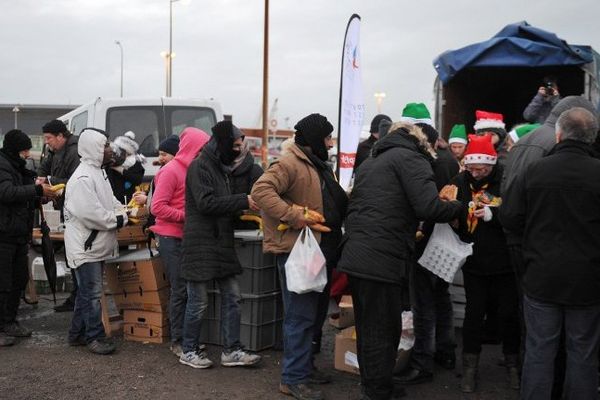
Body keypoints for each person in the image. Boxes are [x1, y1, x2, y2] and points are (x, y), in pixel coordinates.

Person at [337, 121, 462, 400]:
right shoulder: (412, 159)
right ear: (423, 142)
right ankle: (379, 390)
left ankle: (373, 384)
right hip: (382, 257)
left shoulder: (372, 161)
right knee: (384, 329)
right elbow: (428, 206)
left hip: (358, 253)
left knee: (368, 327)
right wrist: (457, 205)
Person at [500, 95, 599, 399]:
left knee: (539, 350)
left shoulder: (536, 171)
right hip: (588, 281)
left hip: (541, 276)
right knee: (582, 353)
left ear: (558, 134)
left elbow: (511, 217)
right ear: (593, 137)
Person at [252, 113, 343, 400]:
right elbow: (261, 192)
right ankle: (293, 378)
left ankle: (305, 366)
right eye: (327, 138)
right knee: (300, 316)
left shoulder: (317, 164)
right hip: (298, 251)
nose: (330, 143)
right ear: (316, 139)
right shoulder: (289, 163)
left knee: (314, 314)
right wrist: (295, 216)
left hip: (320, 249)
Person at [179, 120, 261, 369]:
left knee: (233, 296)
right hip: (200, 243)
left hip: (221, 242)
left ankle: (232, 350)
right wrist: (242, 200)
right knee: (198, 301)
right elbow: (206, 204)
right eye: (235, 145)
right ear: (223, 144)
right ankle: (189, 350)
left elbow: (222, 203)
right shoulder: (199, 167)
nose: (238, 150)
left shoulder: (221, 168)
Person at [449, 134, 520, 393]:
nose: (476, 174)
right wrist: (451, 215)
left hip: (504, 262)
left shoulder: (506, 180)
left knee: (508, 314)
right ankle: (469, 368)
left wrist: (494, 214)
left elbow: (517, 213)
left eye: (482, 169)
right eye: (472, 168)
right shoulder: (460, 181)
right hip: (474, 261)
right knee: (473, 315)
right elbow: (448, 206)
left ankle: (513, 365)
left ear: (491, 165)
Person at [396, 121, 459, 385]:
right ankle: (445, 351)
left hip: (426, 238)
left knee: (422, 302)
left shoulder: (426, 162)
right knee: (441, 296)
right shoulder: (450, 160)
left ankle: (423, 362)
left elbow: (425, 204)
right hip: (447, 239)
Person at [63, 127, 128, 355]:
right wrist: (120, 219)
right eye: (105, 146)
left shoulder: (96, 172)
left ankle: (77, 334)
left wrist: (123, 210)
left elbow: (110, 201)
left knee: (86, 293)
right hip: (85, 246)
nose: (110, 150)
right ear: (94, 149)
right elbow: (94, 215)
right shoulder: (82, 178)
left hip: (93, 245)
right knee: (91, 294)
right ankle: (94, 336)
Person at [150, 128, 210, 357]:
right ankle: (178, 340)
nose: (204, 152)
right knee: (180, 290)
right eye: (201, 148)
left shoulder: (195, 170)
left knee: (190, 291)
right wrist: (187, 216)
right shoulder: (170, 171)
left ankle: (188, 338)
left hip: (188, 238)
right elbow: (157, 207)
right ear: (192, 148)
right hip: (170, 238)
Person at [0, 130, 57, 346]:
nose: (27, 154)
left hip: (18, 234)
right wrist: (35, 189)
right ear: (15, 149)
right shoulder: (2, 165)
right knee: (2, 283)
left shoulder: (16, 166)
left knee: (18, 279)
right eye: (24, 150)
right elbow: (6, 192)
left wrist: (38, 195)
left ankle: (10, 322)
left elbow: (21, 193)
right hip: (3, 234)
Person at [37, 119, 81, 313]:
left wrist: (50, 181)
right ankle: (76, 295)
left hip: (77, 210)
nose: (47, 142)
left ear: (61, 136)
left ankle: (79, 296)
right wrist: (41, 178)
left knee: (77, 255)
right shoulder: (55, 151)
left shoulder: (74, 152)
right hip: (65, 208)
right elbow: (43, 168)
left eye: (49, 138)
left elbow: (75, 182)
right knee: (70, 253)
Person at [106, 131, 145, 204]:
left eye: (122, 152)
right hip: (111, 199)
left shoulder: (134, 163)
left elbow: (138, 180)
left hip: (128, 199)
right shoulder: (110, 162)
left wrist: (122, 171)